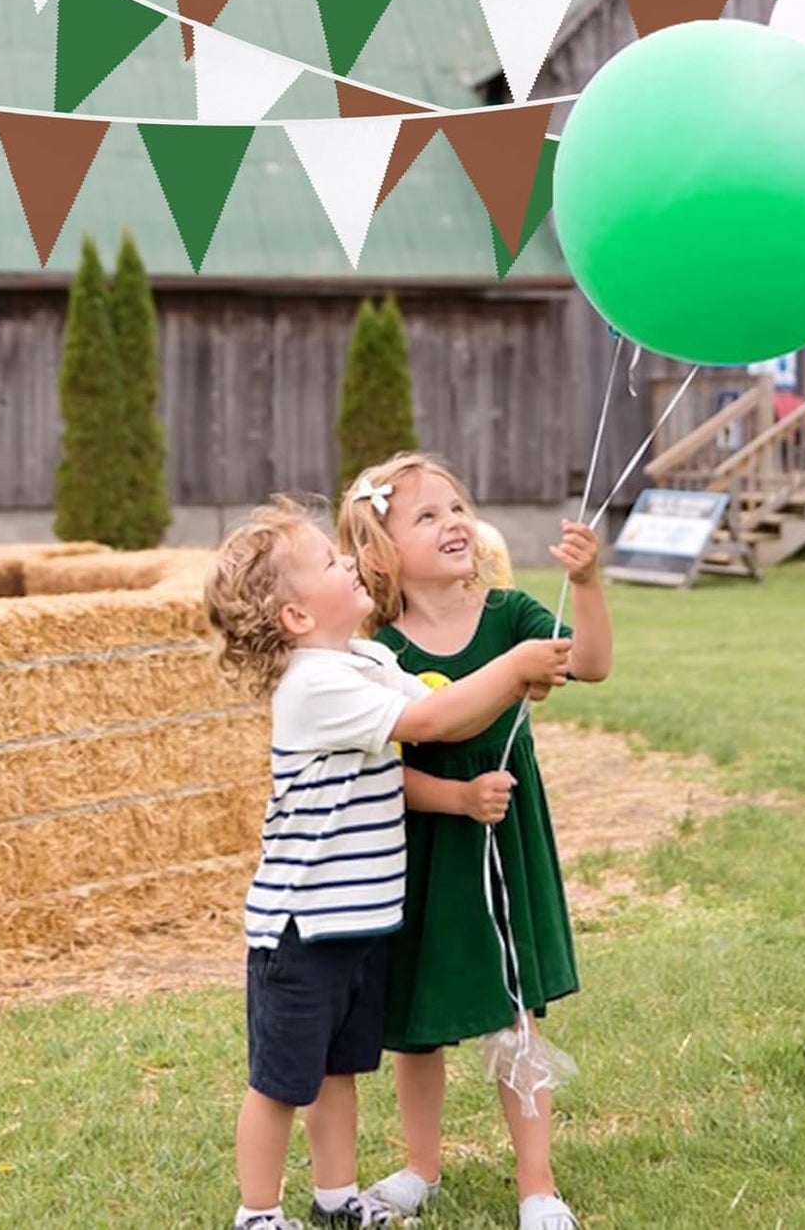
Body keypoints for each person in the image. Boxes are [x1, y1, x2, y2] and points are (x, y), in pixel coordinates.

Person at [204, 497, 572, 1230]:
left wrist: (503, 689)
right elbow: (433, 721)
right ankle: (257, 1213)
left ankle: (337, 1196)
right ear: (297, 618)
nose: (349, 561)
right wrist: (514, 666)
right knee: (281, 1081)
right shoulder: (314, 683)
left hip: (358, 920)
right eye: (330, 562)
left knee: (337, 1072)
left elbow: (447, 703)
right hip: (301, 927)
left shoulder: (366, 658)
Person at [337, 454, 613, 1230]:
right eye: (425, 515)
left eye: (456, 506)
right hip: (418, 844)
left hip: (499, 840)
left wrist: (587, 583)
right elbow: (375, 769)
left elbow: (589, 663)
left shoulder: (509, 615)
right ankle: (420, 1166)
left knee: (511, 1006)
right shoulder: (374, 648)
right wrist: (453, 795)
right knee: (413, 1016)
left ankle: (537, 1184)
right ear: (381, 550)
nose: (453, 521)